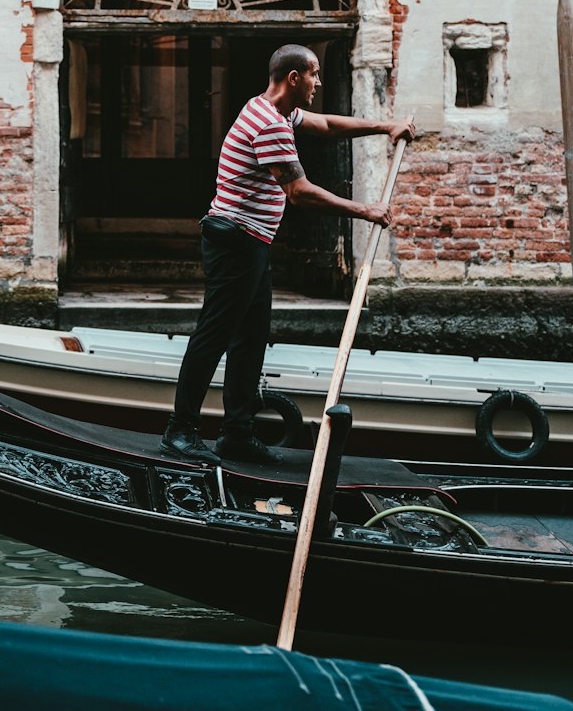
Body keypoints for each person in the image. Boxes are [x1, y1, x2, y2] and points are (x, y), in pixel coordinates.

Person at [160, 43, 415, 464]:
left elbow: (327, 124)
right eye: (314, 74)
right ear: (294, 78)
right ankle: (179, 430)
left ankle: (236, 433)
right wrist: (364, 211)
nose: (319, 82)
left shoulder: (274, 110)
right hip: (235, 240)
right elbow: (299, 192)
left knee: (250, 339)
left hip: (250, 241)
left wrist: (384, 126)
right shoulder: (270, 125)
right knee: (215, 336)